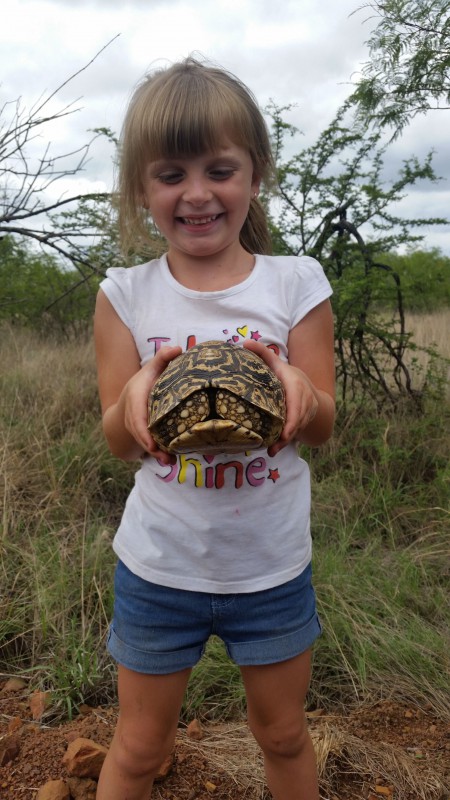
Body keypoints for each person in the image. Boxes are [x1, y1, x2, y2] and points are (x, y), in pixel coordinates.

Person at [94, 57, 335, 800]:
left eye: (219, 170)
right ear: (142, 189)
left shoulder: (296, 283)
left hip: (270, 567)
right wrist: (136, 397)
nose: (197, 193)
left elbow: (324, 424)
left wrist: (300, 392)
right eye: (171, 175)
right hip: (158, 566)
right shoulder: (124, 295)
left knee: (284, 734)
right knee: (138, 746)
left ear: (255, 175)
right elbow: (118, 441)